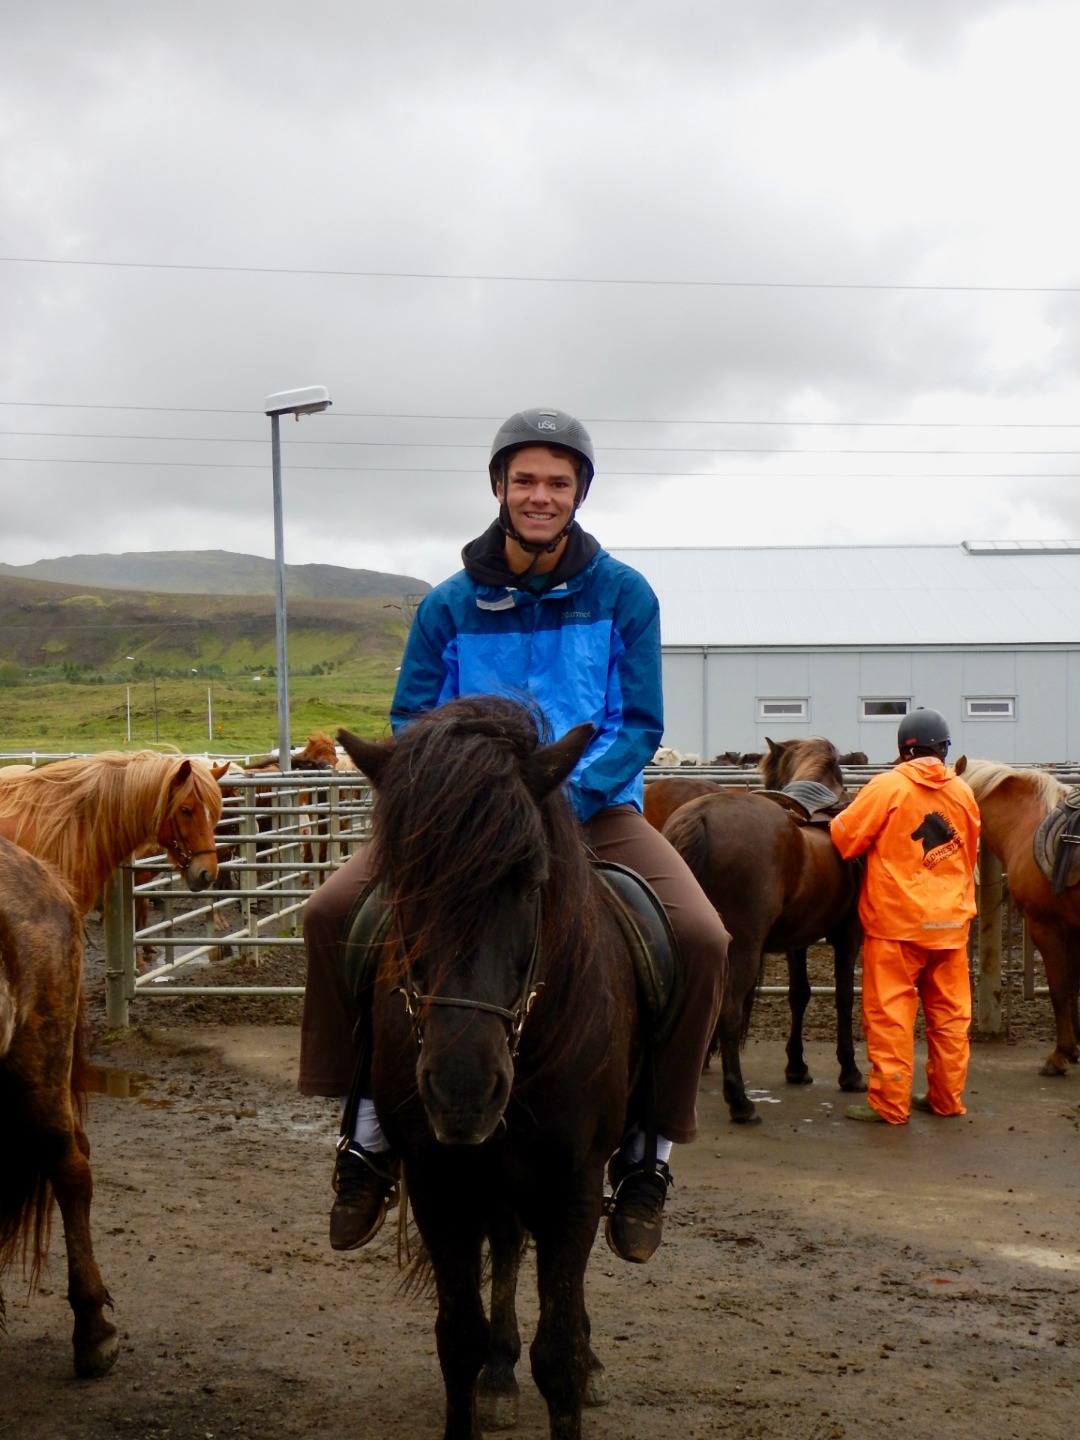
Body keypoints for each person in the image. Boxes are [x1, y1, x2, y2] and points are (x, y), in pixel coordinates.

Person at [299, 406, 728, 1263]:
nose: (540, 495)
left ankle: (649, 1150)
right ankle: (369, 1132)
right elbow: (412, 717)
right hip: (462, 818)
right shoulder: (447, 605)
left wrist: (563, 801)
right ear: (499, 487)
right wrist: (464, 799)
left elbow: (637, 723)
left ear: (579, 494)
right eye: (525, 479)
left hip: (591, 807)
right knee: (330, 914)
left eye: (557, 482)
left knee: (703, 939)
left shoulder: (625, 595)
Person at [828, 707, 981, 1125]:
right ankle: (946, 1099)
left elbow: (845, 839)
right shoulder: (963, 793)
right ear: (944, 748)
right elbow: (969, 855)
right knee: (950, 1018)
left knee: (891, 1016)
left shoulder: (887, 786)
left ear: (903, 749)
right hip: (951, 925)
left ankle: (890, 1104)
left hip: (896, 926)